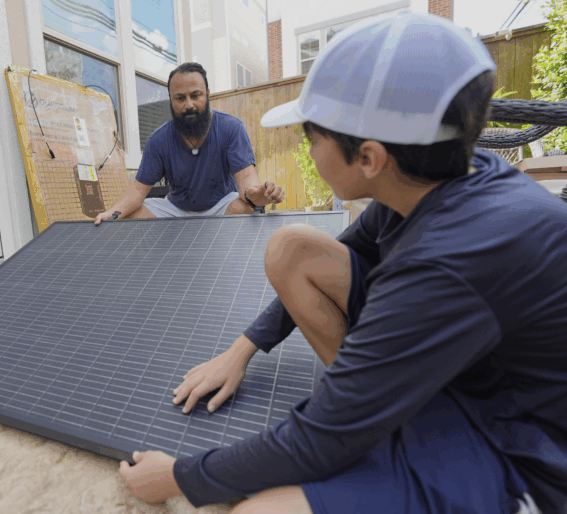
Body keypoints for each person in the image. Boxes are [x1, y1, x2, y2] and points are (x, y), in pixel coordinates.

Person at [117, 12, 567, 514]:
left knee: (255, 512)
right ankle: (373, 413)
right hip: (458, 377)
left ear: (370, 158)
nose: (308, 153)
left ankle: (378, 427)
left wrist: (178, 476)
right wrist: (240, 351)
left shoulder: (449, 261)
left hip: (512, 449)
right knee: (292, 247)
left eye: (312, 140)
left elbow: (316, 441)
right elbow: (344, 255)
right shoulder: (439, 179)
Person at [93, 62, 284, 225]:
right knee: (130, 215)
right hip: (176, 209)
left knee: (245, 209)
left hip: (220, 207)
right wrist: (112, 212)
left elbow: (247, 182)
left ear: (207, 94)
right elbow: (137, 190)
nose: (189, 104)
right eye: (180, 98)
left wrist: (261, 194)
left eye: (195, 95)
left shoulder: (231, 128)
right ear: (171, 99)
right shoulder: (158, 139)